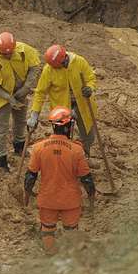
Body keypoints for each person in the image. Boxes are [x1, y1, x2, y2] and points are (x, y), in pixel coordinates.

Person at [24, 106, 95, 254]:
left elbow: (31, 175)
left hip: (48, 199)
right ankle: (70, 259)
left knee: (48, 229)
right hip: (70, 200)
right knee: (71, 230)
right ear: (69, 126)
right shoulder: (76, 150)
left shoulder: (39, 148)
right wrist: (91, 196)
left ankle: (51, 256)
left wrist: (27, 193)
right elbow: (86, 178)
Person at [0, 32, 41, 173]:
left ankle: (19, 147)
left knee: (20, 120)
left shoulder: (24, 51)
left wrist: (26, 87)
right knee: (1, 128)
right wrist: (8, 97)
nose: (8, 56)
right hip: (1, 96)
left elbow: (35, 67)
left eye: (10, 53)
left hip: (20, 92)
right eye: (4, 54)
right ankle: (2, 161)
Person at [28, 44, 97, 155]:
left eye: (57, 66)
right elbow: (40, 92)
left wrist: (90, 88)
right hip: (61, 108)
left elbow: (90, 78)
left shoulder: (79, 62)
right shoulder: (49, 69)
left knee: (88, 135)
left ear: (64, 60)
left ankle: (82, 158)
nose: (55, 69)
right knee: (61, 137)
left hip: (82, 104)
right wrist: (34, 114)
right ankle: (63, 158)